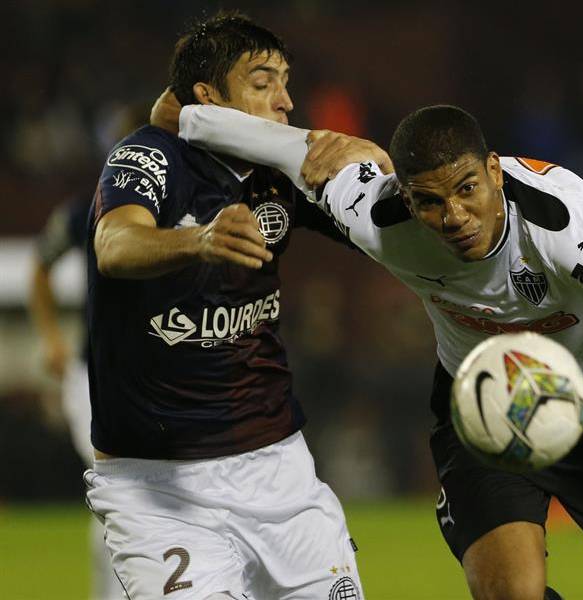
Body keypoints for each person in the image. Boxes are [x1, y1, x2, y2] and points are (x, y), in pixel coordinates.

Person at [171, 102, 583, 600]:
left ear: (494, 171)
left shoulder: (566, 231)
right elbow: (283, 145)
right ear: (404, 196)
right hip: (485, 407)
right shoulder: (376, 217)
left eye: (467, 189)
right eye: (428, 201)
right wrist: (183, 115)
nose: (453, 216)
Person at [84, 12, 387, 599]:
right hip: (159, 489)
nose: (285, 100)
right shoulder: (149, 156)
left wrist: (364, 161)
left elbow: (384, 218)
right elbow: (114, 245)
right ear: (208, 97)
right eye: (262, 82)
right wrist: (199, 239)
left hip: (278, 471)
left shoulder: (280, 171)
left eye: (286, 83)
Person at [29, 194, 125, 600]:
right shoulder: (87, 208)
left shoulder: (180, 198)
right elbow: (40, 265)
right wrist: (51, 338)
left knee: (124, 491)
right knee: (117, 485)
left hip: (155, 376)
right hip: (94, 378)